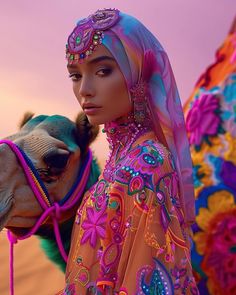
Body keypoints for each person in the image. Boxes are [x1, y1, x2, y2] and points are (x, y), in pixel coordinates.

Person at [57, 8, 198, 295]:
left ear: (138, 72)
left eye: (102, 71)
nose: (85, 89)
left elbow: (147, 281)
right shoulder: (122, 160)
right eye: (75, 75)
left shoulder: (148, 163)